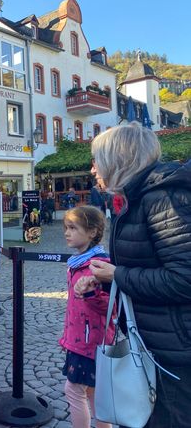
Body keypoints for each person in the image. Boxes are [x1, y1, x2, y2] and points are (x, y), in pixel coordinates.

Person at [89, 123, 191, 428]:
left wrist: (118, 275)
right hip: (154, 346)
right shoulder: (137, 199)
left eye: (97, 159)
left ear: (118, 159)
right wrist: (107, 280)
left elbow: (184, 279)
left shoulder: (164, 198)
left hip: (175, 354)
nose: (94, 169)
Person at [59, 206, 114, 428]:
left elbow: (112, 308)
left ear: (92, 232)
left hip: (91, 343)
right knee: (94, 393)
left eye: (73, 228)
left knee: (73, 390)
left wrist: (90, 293)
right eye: (66, 227)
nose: (66, 232)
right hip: (80, 339)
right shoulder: (77, 262)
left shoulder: (100, 265)